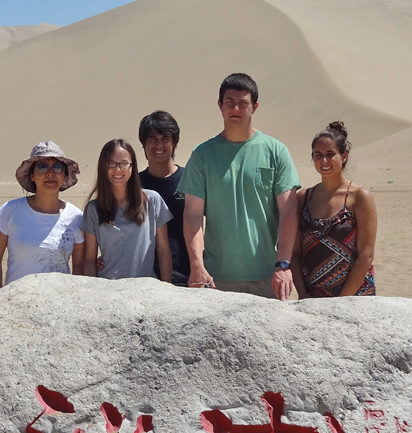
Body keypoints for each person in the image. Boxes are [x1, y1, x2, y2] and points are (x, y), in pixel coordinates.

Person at [176, 72, 300, 300]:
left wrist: (283, 265)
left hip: (267, 277)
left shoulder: (276, 152)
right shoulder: (203, 155)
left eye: (243, 103)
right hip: (215, 279)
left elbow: (289, 211)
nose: (235, 109)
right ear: (220, 105)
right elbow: (193, 215)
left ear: (255, 107)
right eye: (229, 103)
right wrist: (196, 265)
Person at [292, 121, 377, 297]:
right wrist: (302, 294)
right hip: (312, 299)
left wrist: (341, 301)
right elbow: (294, 254)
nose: (324, 161)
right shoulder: (303, 197)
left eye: (330, 154)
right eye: (318, 154)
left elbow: (366, 255)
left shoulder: (360, 197)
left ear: (344, 156)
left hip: (355, 299)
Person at [0, 141, 85, 292]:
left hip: (59, 304)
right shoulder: (10, 210)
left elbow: (79, 265)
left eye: (57, 167)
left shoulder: (76, 216)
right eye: (42, 166)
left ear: (65, 175)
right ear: (31, 175)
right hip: (15, 302)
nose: (50, 173)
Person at [82, 139, 173, 281]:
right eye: (111, 163)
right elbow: (89, 258)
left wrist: (167, 287)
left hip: (146, 288)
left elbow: (163, 250)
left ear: (132, 166)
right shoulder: (93, 209)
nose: (118, 169)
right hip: (107, 288)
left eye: (124, 163)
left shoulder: (152, 200)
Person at [137, 111, 190, 285]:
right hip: (142, 277)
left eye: (165, 138)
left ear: (174, 142)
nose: (159, 145)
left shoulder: (190, 181)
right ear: (143, 144)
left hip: (187, 276)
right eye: (152, 139)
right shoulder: (134, 185)